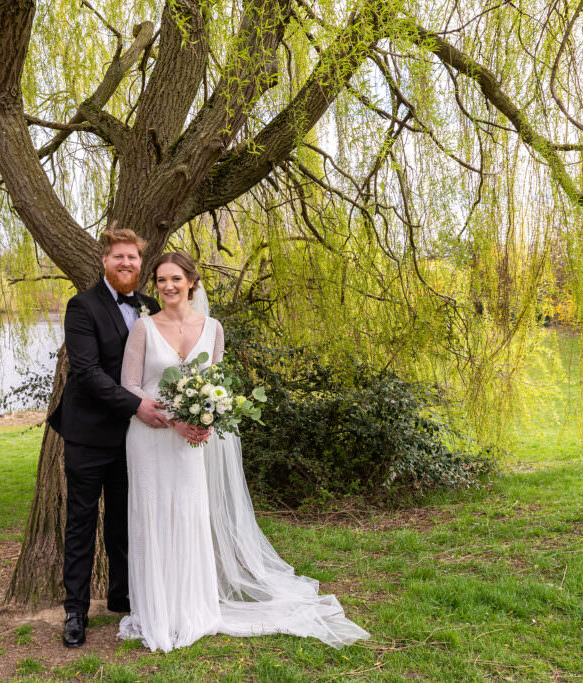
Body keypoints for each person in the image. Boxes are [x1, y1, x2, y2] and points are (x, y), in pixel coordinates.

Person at [117, 252, 370, 653]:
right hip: (150, 435)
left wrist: (206, 416)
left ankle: (191, 608)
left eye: (176, 279)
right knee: (153, 514)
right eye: (162, 280)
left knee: (189, 514)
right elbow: (129, 385)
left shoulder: (213, 328)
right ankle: (158, 612)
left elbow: (215, 385)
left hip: (190, 441)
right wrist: (171, 417)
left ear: (192, 283)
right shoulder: (144, 329)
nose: (168, 286)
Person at [47, 229, 208, 648]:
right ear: (105, 261)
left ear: (141, 262)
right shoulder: (82, 307)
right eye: (118, 257)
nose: (126, 264)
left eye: (133, 258)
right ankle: (75, 612)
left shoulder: (152, 305)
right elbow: (87, 371)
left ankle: (124, 596)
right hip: (88, 433)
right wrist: (137, 406)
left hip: (138, 439)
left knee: (127, 519)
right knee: (82, 523)